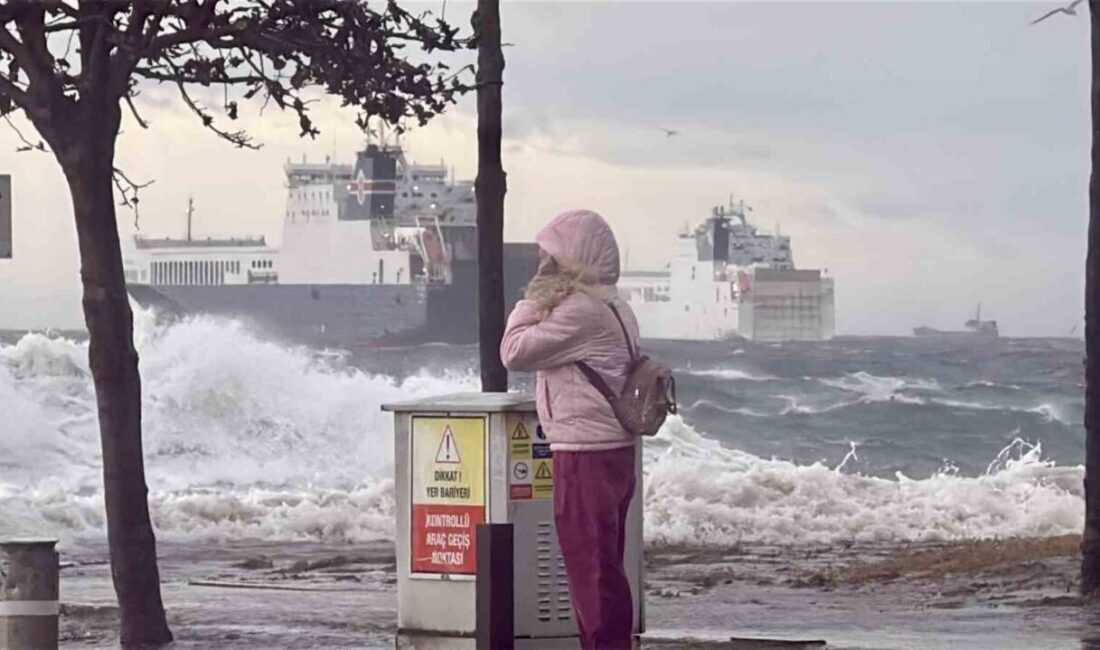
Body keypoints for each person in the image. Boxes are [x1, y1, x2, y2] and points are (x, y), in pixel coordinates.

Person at [500, 209, 639, 650]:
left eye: (551, 257)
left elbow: (514, 351)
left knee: (591, 571)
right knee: (604, 567)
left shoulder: (580, 310)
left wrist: (531, 299)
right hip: (614, 450)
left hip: (585, 454)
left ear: (572, 259)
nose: (544, 265)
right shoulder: (616, 306)